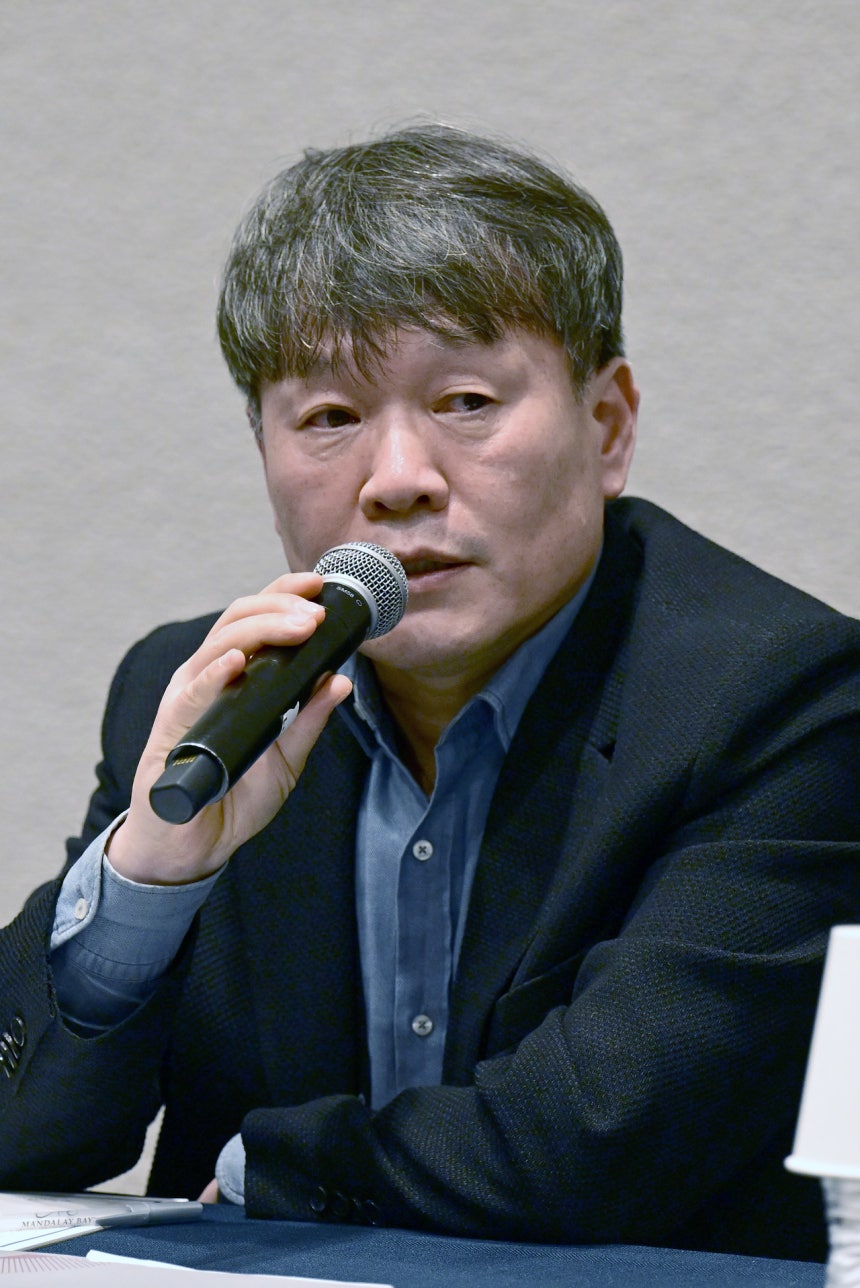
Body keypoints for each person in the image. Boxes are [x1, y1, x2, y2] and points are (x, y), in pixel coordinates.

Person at [0, 124, 858, 1263]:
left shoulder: (781, 698)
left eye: (464, 401)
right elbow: (27, 1139)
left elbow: (596, 1141)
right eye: (329, 419)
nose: (398, 481)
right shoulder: (206, 701)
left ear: (607, 426)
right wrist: (150, 876)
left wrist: (269, 1168)